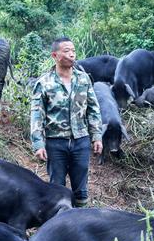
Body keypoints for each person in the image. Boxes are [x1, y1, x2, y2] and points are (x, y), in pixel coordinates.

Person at [30, 37, 103, 207]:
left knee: (81, 190)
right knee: (57, 188)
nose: (71, 54)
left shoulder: (84, 79)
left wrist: (97, 136)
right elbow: (36, 115)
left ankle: (81, 222)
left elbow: (93, 109)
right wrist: (38, 143)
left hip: (81, 141)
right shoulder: (44, 83)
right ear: (55, 55)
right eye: (66, 51)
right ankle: (58, 225)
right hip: (56, 143)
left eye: (73, 51)